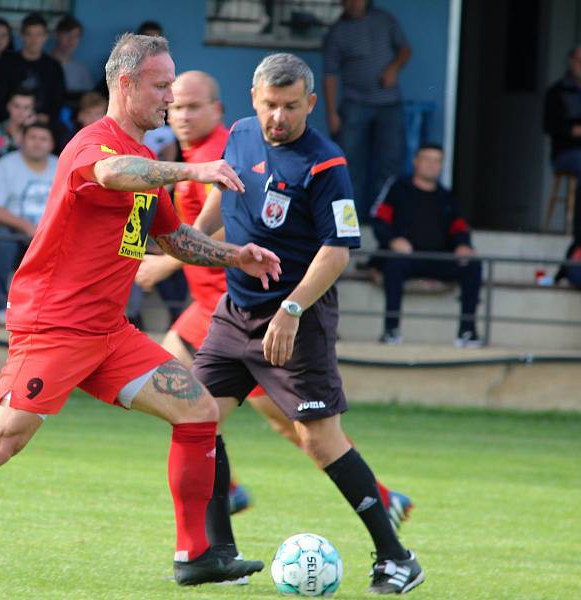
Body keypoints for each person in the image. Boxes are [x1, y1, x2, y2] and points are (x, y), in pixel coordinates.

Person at [0, 33, 280, 586]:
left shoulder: (147, 158)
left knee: (198, 412)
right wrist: (193, 171)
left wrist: (236, 256)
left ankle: (195, 556)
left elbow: (174, 240)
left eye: (172, 85)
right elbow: (110, 174)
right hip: (53, 327)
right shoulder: (94, 145)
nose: (170, 97)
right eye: (160, 85)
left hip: (108, 332)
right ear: (124, 85)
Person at [137, 69, 413, 530]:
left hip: (252, 306)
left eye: (192, 106)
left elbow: (244, 222)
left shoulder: (252, 152)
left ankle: (383, 501)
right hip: (213, 309)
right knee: (186, 406)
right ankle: (221, 513)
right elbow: (212, 218)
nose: (180, 115)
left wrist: (168, 261)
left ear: (217, 109)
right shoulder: (234, 142)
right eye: (175, 106)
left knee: (300, 428)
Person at [190, 53, 424, 594]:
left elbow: (338, 250)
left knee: (320, 442)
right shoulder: (241, 134)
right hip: (234, 314)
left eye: (291, 106)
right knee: (195, 417)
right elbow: (221, 201)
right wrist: (193, 239)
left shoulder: (326, 164)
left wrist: (292, 310)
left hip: (298, 319)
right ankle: (219, 554)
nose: (279, 117)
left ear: (310, 104)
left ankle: (397, 559)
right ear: (254, 99)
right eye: (271, 105)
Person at [372, 143, 482, 348]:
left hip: (438, 258)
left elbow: (459, 226)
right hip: (406, 258)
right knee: (394, 264)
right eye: (426, 159)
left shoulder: (446, 196)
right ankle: (391, 330)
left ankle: (467, 332)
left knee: (472, 265)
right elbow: (379, 220)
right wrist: (392, 241)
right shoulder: (398, 188)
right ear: (415, 162)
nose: (432, 165)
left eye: (437, 160)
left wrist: (463, 245)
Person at [323, 0, 411, 219]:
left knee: (390, 163)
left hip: (389, 103)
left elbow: (405, 50)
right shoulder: (337, 32)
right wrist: (332, 113)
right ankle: (350, 220)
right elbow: (329, 76)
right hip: (355, 103)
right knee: (349, 164)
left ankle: (382, 218)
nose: (354, 3)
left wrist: (393, 68)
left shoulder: (385, 19)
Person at [0, 122, 58, 322]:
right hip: (13, 232)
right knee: (0, 237)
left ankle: (59, 312)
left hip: (51, 234)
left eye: (43, 139)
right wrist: (24, 226)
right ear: (21, 140)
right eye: (32, 138)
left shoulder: (61, 166)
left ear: (51, 144)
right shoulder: (4, 166)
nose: (37, 144)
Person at [0, 13, 66, 130]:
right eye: (29, 34)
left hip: (42, 124)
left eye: (38, 35)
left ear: (45, 36)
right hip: (9, 121)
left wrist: (45, 118)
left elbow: (58, 100)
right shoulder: (7, 62)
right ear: (22, 36)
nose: (34, 40)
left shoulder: (53, 66)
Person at [544, 44, 581, 240]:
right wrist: (573, 131)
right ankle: (578, 232)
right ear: (571, 62)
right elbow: (550, 125)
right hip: (566, 153)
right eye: (579, 60)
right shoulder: (557, 92)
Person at [0, 88, 36, 180]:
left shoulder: (38, 135)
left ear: (32, 110)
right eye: (17, 106)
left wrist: (30, 130)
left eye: (26, 108)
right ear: (8, 106)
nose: (21, 112)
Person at [49, 14, 93, 99]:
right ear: (57, 35)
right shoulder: (42, 64)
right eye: (67, 35)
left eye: (76, 36)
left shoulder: (81, 70)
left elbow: (89, 100)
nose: (71, 40)